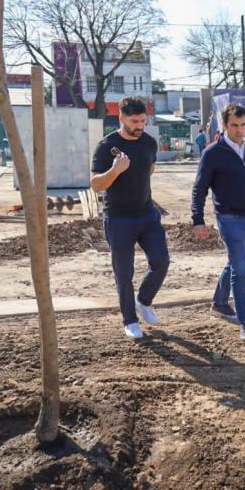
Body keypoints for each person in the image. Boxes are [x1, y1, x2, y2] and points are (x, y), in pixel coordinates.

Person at [191, 103, 245, 341]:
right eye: (234, 125)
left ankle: (220, 303)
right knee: (240, 271)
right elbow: (199, 189)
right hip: (228, 219)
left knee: (235, 263)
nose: (239, 130)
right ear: (224, 125)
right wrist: (197, 220)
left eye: (243, 125)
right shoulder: (212, 153)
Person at [91, 97, 169, 339]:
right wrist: (115, 170)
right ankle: (130, 320)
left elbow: (150, 168)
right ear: (121, 118)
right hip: (119, 219)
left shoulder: (148, 142)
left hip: (147, 214)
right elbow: (95, 184)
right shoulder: (106, 146)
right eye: (134, 121)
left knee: (161, 261)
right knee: (124, 274)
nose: (139, 126)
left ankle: (143, 301)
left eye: (143, 121)